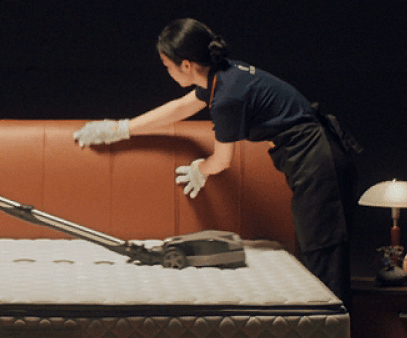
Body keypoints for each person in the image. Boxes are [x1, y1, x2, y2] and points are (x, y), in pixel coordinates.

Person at [74, 18, 365, 301]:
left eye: (166, 65)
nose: (167, 72)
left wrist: (200, 169)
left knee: (324, 258)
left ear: (186, 65)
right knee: (316, 252)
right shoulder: (224, 75)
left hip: (320, 163)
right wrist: (120, 128)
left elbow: (222, 160)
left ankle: (335, 331)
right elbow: (180, 108)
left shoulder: (226, 97)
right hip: (318, 158)